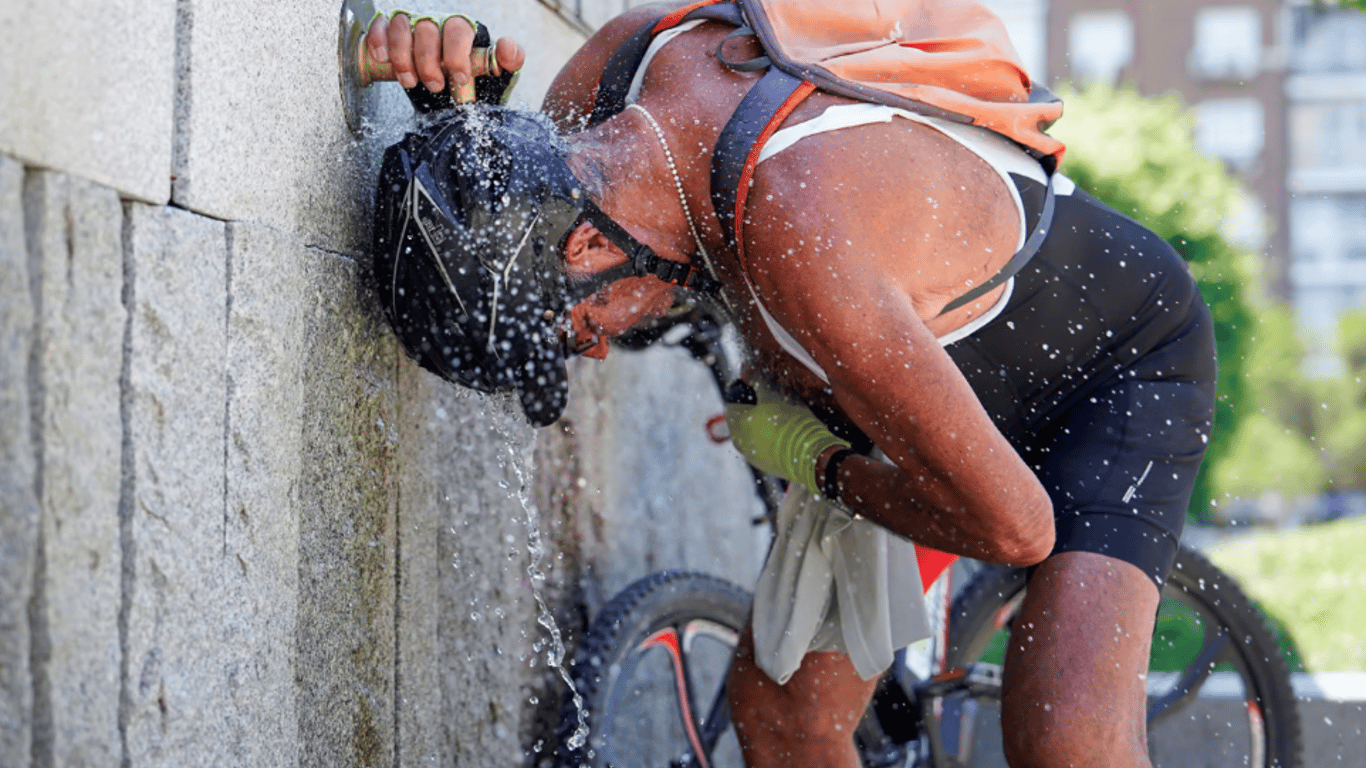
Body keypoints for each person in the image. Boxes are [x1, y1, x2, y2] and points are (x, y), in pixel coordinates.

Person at [363, 4, 1217, 767]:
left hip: (1111, 365)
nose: (594, 354)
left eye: (579, 333)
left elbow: (1016, 527)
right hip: (903, 396)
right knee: (783, 721)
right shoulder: (619, 70)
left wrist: (816, 461)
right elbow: (520, 200)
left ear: (585, 252)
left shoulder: (801, 229)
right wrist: (459, 124)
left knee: (1065, 740)